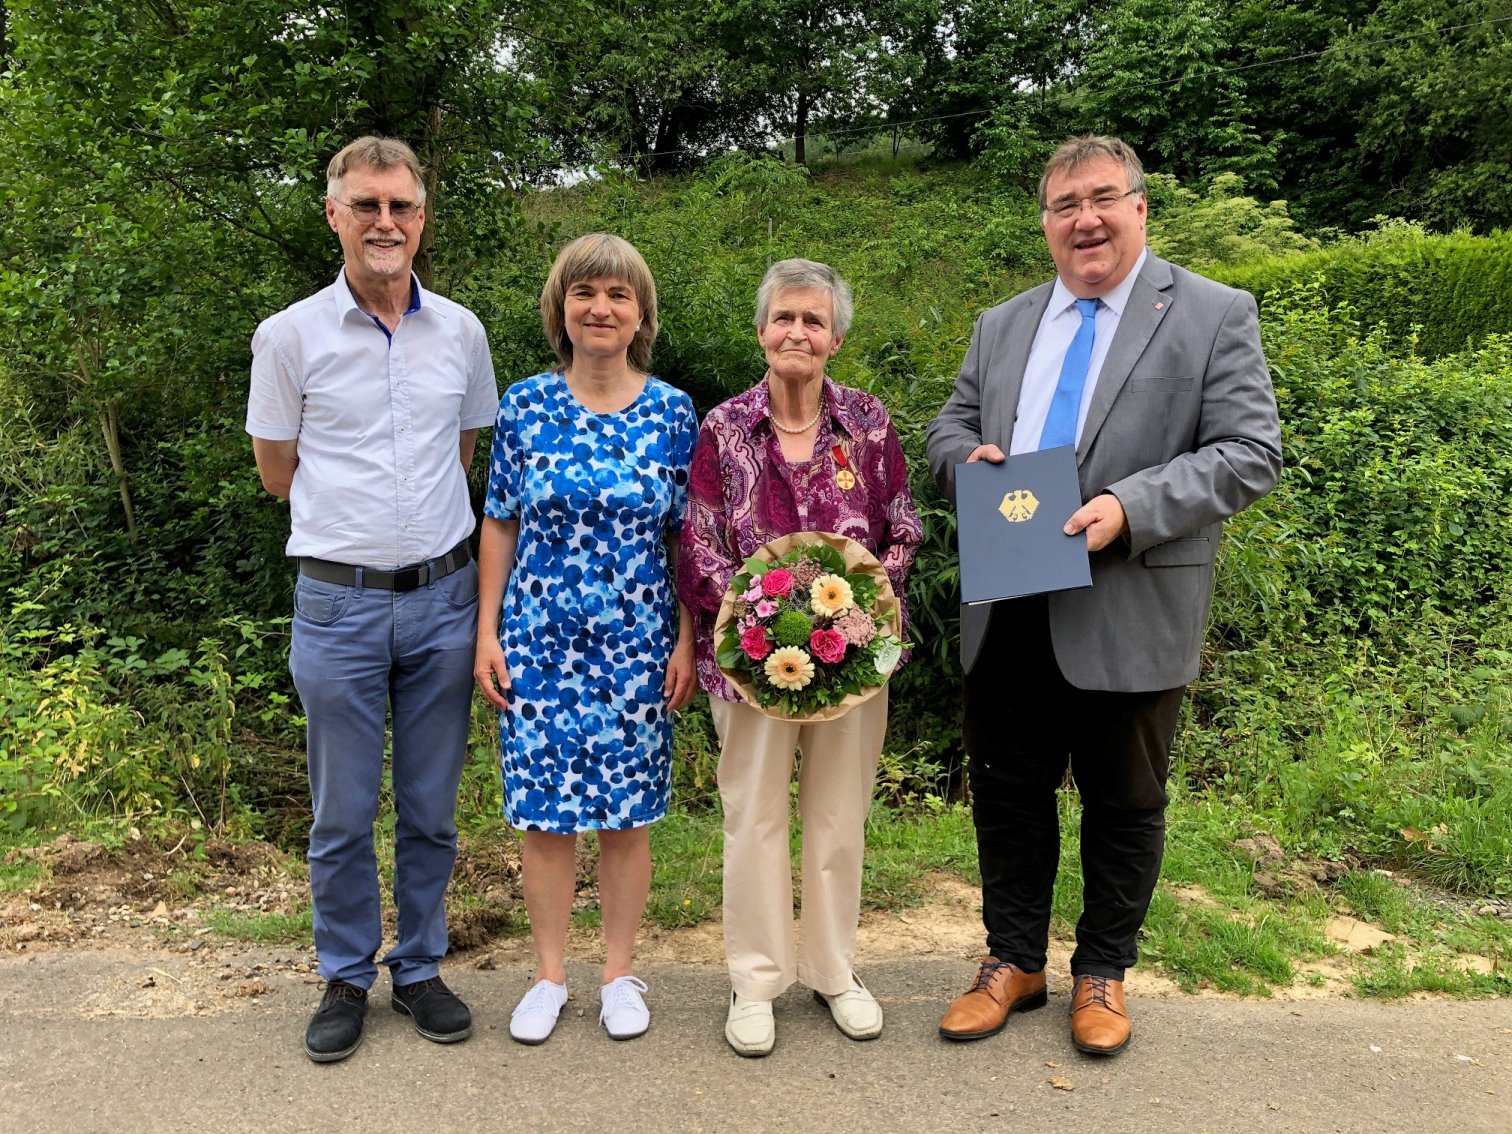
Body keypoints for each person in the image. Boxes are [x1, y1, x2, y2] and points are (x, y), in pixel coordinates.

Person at [926, 135, 1282, 1055]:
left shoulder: (1211, 313)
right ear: (1045, 223)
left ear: (1139, 207)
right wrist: (963, 457)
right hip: (1010, 597)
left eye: (1102, 198)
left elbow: (1249, 453)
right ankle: (1014, 961)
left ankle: (1102, 973)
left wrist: (1130, 505)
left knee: (1125, 799)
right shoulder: (1002, 323)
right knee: (1008, 791)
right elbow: (951, 422)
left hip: (1131, 596)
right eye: (1063, 205)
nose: (1084, 219)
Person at [247, 136, 498, 1063]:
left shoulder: (462, 332)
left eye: (401, 207)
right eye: (366, 206)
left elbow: (463, 456)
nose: (385, 223)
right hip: (338, 606)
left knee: (431, 806)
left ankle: (422, 965)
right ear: (334, 215)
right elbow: (278, 475)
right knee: (342, 811)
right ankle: (346, 974)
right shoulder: (288, 337)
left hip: (442, 598)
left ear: (422, 219)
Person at [678, 258, 922, 1057]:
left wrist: (864, 603)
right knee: (753, 816)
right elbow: (698, 541)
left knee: (837, 813)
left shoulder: (870, 422)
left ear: (837, 339)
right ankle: (754, 981)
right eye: (784, 318)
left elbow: (902, 525)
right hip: (748, 663)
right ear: (761, 332)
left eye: (814, 321)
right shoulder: (722, 428)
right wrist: (755, 614)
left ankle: (833, 968)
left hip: (852, 660)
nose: (798, 333)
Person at [473, 233, 698, 1045]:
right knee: (546, 817)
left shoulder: (674, 413)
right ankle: (547, 976)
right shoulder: (526, 405)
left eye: (618, 295)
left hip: (638, 643)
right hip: (538, 640)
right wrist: (486, 631)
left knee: (626, 816)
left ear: (640, 314)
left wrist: (687, 639)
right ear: (560, 309)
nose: (600, 308)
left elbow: (686, 542)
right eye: (584, 293)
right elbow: (499, 521)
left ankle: (618, 975)